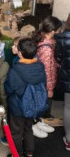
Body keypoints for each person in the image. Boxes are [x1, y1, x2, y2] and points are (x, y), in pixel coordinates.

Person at [5, 38, 47, 157]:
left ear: (20, 53)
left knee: (16, 132)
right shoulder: (40, 66)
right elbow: (43, 83)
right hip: (33, 105)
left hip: (18, 106)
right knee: (28, 128)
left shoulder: (16, 69)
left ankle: (17, 154)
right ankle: (29, 152)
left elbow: (10, 89)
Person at [33, 16, 62, 120]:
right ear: (53, 31)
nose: (60, 32)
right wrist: (49, 89)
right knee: (43, 105)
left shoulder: (42, 41)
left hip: (42, 82)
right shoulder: (46, 49)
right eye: (59, 30)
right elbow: (46, 70)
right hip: (45, 84)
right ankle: (41, 121)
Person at [55, 13, 70, 150]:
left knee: (68, 108)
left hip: (68, 77)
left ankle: (69, 139)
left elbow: (58, 58)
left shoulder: (62, 38)